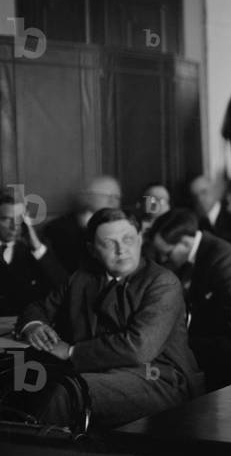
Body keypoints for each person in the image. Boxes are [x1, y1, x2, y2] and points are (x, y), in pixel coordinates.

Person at [16, 208, 202, 429]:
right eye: (108, 243)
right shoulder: (82, 277)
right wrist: (34, 326)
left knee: (69, 392)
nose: (121, 250)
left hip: (158, 377)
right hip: (99, 373)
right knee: (21, 379)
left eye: (128, 239)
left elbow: (138, 348)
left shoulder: (162, 282)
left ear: (140, 239)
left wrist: (71, 351)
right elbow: (38, 308)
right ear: (92, 250)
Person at [150, 209, 231, 390]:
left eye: (167, 253)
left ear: (186, 242)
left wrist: (185, 332)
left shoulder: (223, 260)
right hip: (229, 341)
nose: (164, 259)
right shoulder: (205, 251)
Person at [0, 191, 67, 316]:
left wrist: (36, 247)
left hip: (29, 323)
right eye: (6, 219)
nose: (14, 226)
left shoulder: (38, 248)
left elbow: (63, 286)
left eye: (19, 219)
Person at [43, 175, 122, 275]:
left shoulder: (122, 226)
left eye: (117, 197)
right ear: (89, 197)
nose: (113, 202)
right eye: (107, 196)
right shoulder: (59, 228)